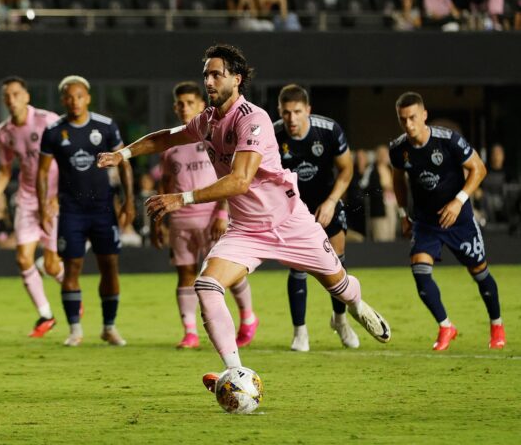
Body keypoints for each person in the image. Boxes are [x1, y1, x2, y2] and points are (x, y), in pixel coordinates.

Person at [97, 44, 390, 390]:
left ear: (236, 79)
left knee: (340, 287)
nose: (209, 81)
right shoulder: (207, 120)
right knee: (206, 286)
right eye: (206, 74)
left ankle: (356, 305)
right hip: (247, 230)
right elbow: (168, 137)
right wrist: (123, 154)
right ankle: (237, 374)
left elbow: (240, 180)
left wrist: (181, 199)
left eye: (216, 74)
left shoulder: (253, 118)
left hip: (290, 221)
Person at [390, 92, 504, 350]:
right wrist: (403, 214)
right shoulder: (398, 149)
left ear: (424, 115)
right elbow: (398, 181)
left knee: (480, 273)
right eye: (403, 119)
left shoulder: (448, 140)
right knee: (420, 273)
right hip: (426, 223)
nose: (408, 124)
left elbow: (479, 168)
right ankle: (445, 326)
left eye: (413, 117)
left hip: (459, 221)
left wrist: (458, 201)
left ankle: (497, 324)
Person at [157, 82, 258, 350]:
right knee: (185, 273)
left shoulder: (215, 135)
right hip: (181, 219)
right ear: (174, 107)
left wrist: (222, 212)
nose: (184, 108)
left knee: (229, 273)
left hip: (212, 217)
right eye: (180, 104)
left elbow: (229, 178)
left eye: (190, 103)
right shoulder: (171, 145)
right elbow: (166, 184)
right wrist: (159, 221)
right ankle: (190, 332)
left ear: (202, 105)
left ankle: (248, 318)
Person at [38, 75, 135, 347]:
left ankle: (109, 327)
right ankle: (75, 330)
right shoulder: (54, 131)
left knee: (110, 266)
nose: (75, 101)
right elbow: (42, 172)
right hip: (71, 211)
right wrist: (44, 205)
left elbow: (124, 163)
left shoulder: (105, 126)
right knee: (72, 267)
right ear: (63, 100)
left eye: (79, 96)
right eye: (69, 97)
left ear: (88, 98)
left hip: (103, 208)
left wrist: (129, 201)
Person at [0, 76, 65, 338]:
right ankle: (46, 316)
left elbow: (67, 156)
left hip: (52, 197)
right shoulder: (4, 132)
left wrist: (61, 195)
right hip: (27, 198)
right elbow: (4, 171)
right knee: (23, 258)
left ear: (26, 96)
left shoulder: (47, 120)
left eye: (15, 94)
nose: (11, 100)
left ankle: (72, 293)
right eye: (7, 96)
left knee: (52, 266)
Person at [274, 84, 358, 351]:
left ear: (308, 110)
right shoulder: (272, 135)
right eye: (286, 112)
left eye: (297, 111)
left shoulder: (329, 130)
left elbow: (347, 169)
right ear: (280, 111)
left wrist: (331, 202)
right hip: (292, 208)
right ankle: (300, 332)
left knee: (336, 260)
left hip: (326, 201)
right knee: (298, 266)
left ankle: (340, 321)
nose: (292, 118)